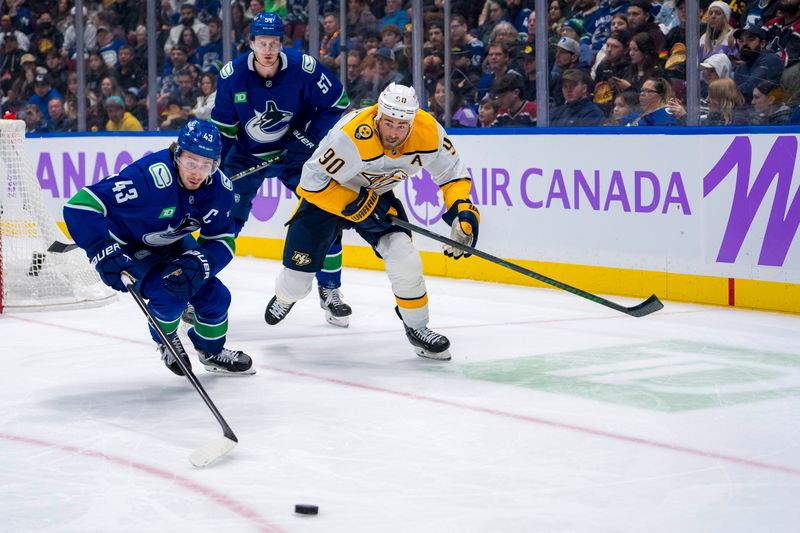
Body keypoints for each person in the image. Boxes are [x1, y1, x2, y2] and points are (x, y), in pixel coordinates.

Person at [264, 83, 480, 361]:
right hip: (327, 198)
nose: (393, 132)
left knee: (403, 253)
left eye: (401, 126)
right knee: (297, 284)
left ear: (412, 122)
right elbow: (310, 182)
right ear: (378, 115)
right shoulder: (351, 134)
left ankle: (417, 327)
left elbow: (453, 176)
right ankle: (285, 298)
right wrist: (356, 206)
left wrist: (463, 211)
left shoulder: (429, 132)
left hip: (376, 198)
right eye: (388, 123)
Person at [62, 120, 254, 376]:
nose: (197, 172)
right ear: (177, 153)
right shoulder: (149, 178)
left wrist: (201, 261)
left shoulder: (220, 190)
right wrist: (101, 249)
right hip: (128, 244)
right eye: (191, 162)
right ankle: (166, 338)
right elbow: (80, 206)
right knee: (170, 291)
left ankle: (211, 351)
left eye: (205, 165)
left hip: (171, 240)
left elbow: (222, 240)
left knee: (216, 296)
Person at [210, 12, 354, 327]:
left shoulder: (304, 68)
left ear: (280, 43)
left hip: (295, 152)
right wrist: (216, 167)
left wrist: (307, 138)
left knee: (324, 213)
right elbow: (223, 129)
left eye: (273, 43)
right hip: (246, 156)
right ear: (250, 44)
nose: (268, 49)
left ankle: (330, 290)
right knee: (223, 221)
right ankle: (198, 289)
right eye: (261, 43)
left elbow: (338, 103)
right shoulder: (231, 75)